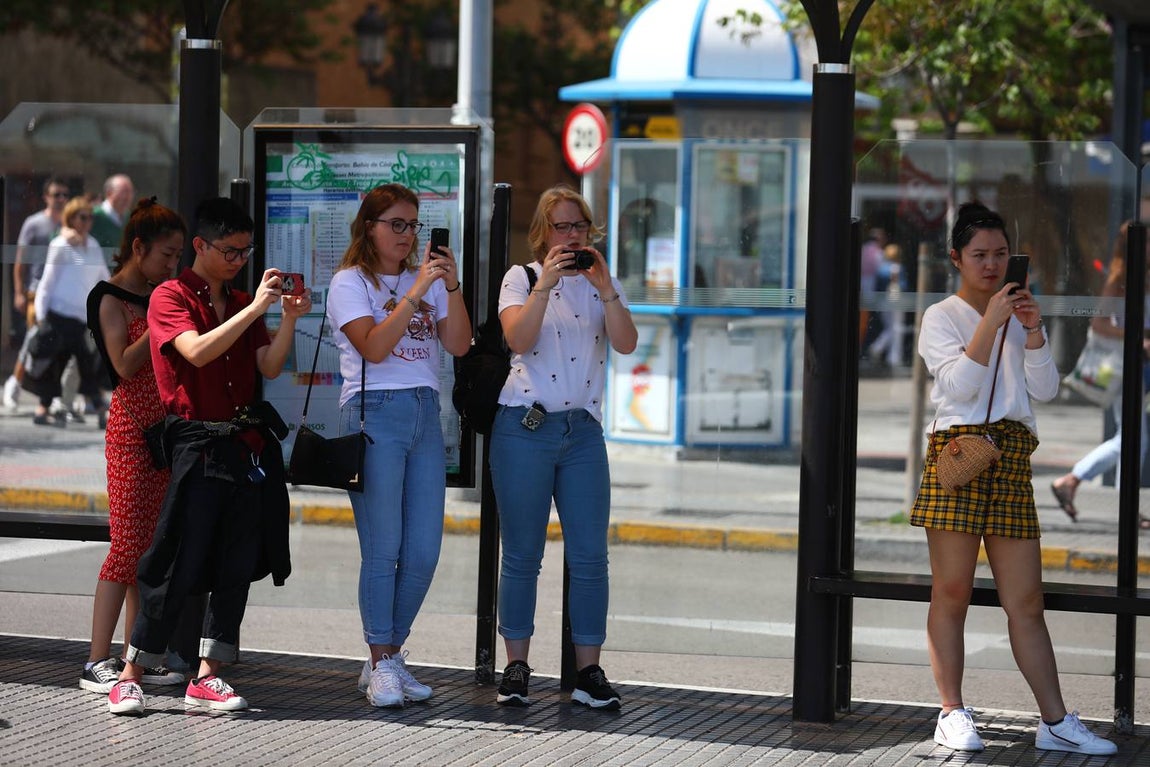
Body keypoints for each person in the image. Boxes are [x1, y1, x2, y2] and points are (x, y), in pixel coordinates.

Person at [910, 202, 1116, 756]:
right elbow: (957, 388)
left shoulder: (1018, 311)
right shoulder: (942, 316)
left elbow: (1044, 391)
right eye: (980, 255)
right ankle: (951, 712)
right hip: (959, 457)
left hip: (1011, 459)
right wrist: (991, 323)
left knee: (1025, 600)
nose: (992, 265)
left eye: (1001, 254)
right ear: (956, 258)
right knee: (950, 591)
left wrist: (1032, 330)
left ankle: (1054, 721)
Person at [106, 197, 309, 716]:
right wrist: (255, 309)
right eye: (230, 250)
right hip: (195, 440)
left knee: (234, 562)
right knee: (175, 557)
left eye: (246, 251)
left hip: (243, 444)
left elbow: (269, 362)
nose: (239, 260)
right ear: (201, 246)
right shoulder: (170, 296)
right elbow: (195, 352)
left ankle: (208, 673)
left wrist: (286, 318)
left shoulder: (241, 300)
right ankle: (130, 672)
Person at [489, 184, 638, 710]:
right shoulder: (522, 278)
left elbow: (626, 342)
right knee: (523, 556)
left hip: (582, 432)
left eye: (580, 226)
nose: (573, 236)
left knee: (591, 556)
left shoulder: (601, 282)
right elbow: (518, 340)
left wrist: (606, 289)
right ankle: (516, 666)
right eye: (562, 227)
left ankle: (588, 672)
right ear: (542, 233)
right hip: (525, 428)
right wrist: (546, 283)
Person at [327, 184, 472, 708]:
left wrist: (449, 289)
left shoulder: (428, 279)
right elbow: (373, 345)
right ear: (369, 226)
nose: (407, 235)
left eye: (412, 225)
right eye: (396, 224)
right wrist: (414, 294)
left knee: (424, 551)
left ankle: (387, 658)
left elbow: (458, 344)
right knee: (383, 548)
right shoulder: (349, 282)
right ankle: (381, 659)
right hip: (375, 411)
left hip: (423, 412)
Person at [79, 198, 186, 695]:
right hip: (128, 433)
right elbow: (122, 364)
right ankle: (96, 659)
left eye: (178, 256)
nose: (172, 265)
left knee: (148, 553)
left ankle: (133, 658)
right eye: (166, 254)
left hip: (163, 433)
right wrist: (163, 318)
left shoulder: (160, 295)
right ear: (138, 248)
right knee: (124, 549)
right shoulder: (109, 297)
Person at [1050, 221, 1150, 527]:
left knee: (1133, 437)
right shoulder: (1118, 280)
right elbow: (1099, 324)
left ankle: (1079, 484)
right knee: (1133, 438)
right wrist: (1138, 334)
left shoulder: (1142, 279)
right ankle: (1076, 480)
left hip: (1138, 366)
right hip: (1122, 368)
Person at [23, 196, 110, 427]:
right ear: (71, 218)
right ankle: (98, 406)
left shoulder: (92, 245)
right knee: (66, 362)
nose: (87, 222)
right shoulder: (60, 245)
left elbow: (104, 278)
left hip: (81, 318)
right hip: (58, 316)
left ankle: (44, 410)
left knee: (73, 362)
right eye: (82, 217)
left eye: (90, 218)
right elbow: (47, 282)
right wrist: (40, 316)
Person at [3, 177, 69, 411]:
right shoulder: (34, 223)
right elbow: (20, 261)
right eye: (56, 194)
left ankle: (54, 396)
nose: (61, 199)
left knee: (60, 345)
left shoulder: (70, 224)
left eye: (64, 195)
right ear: (46, 197)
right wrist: (19, 292)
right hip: (36, 292)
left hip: (62, 296)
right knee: (35, 340)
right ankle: (15, 383)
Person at [90, 174, 136, 252]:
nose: (127, 197)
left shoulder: (132, 218)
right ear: (109, 193)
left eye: (130, 191)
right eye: (123, 191)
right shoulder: (92, 216)